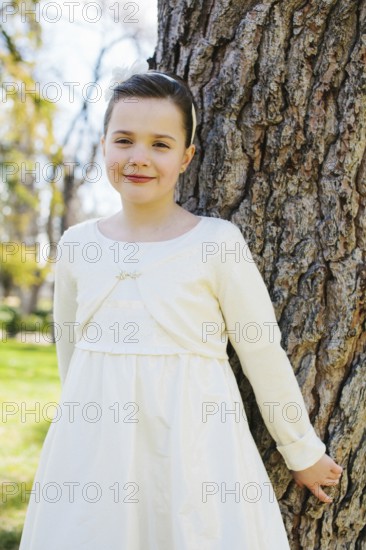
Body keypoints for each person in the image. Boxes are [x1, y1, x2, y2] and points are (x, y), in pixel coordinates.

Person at [19, 60, 343, 549]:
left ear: (187, 157)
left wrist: (301, 450)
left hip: (195, 447)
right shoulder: (78, 244)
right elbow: (71, 352)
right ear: (103, 144)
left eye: (160, 144)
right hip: (96, 452)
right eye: (123, 140)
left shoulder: (216, 243)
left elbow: (261, 353)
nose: (138, 157)